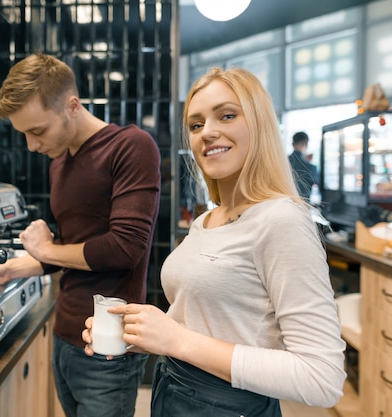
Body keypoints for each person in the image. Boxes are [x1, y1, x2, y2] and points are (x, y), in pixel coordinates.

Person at [82, 67, 346, 416]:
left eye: (227, 115)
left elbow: (321, 378)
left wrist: (177, 340)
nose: (207, 132)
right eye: (195, 124)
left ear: (260, 124)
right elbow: (212, 326)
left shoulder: (282, 220)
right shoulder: (208, 220)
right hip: (173, 393)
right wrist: (147, 337)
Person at [0, 53, 161, 417]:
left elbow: (125, 248)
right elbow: (72, 248)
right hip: (65, 338)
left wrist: (45, 249)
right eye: (25, 133)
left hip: (107, 346)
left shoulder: (130, 146)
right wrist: (10, 270)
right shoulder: (60, 161)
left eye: (38, 130)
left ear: (72, 106)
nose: (31, 145)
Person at [288, 131, 319, 199]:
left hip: (283, 205)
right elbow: (317, 183)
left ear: (292, 144)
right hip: (302, 206)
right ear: (306, 143)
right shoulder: (310, 167)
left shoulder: (283, 161)